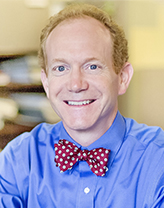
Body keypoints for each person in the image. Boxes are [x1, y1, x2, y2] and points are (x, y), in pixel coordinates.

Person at [0, 3, 164, 208]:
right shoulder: (18, 159)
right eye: (61, 68)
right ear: (46, 83)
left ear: (122, 78)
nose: (76, 84)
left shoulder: (159, 159)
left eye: (92, 66)